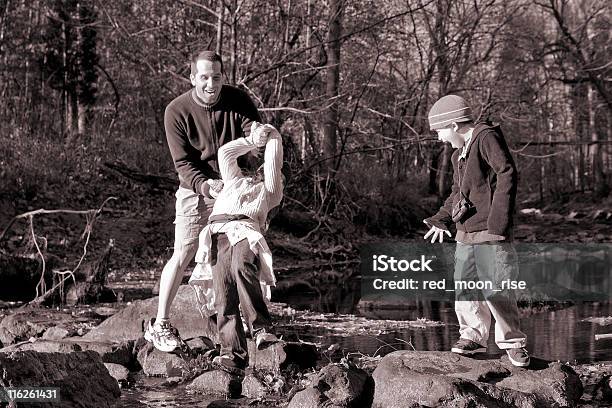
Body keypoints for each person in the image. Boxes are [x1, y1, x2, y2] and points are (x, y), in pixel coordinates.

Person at [144, 50, 262, 353]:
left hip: (232, 187)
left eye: (217, 77)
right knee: (183, 253)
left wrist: (259, 137)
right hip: (194, 189)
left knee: (232, 257)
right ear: (193, 77)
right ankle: (160, 324)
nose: (212, 84)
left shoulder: (237, 99)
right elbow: (182, 164)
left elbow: (251, 130)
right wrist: (205, 185)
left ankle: (240, 330)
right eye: (205, 77)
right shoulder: (176, 110)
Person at [423, 95, 530, 367]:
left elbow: (507, 173)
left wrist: (498, 226)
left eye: (439, 131)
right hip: (465, 232)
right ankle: (472, 336)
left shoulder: (485, 137)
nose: (439, 139)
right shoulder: (461, 152)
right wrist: (441, 219)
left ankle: (512, 343)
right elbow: (458, 193)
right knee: (465, 284)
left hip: (489, 231)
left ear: (455, 124)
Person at [189, 121, 284, 373]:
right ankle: (233, 354)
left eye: (271, 172)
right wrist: (253, 140)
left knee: (242, 266)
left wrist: (272, 135)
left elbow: (274, 163)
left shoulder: (270, 192)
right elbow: (225, 153)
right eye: (261, 168)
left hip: (245, 231)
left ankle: (262, 328)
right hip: (218, 233)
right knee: (223, 293)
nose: (264, 170)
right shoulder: (233, 180)